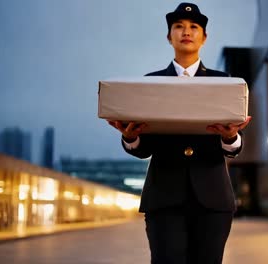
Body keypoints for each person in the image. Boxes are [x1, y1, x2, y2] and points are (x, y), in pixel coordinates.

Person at [108, 2, 251, 263]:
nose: (186, 31)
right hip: (164, 198)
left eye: (194, 27)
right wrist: (130, 136)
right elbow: (144, 147)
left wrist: (230, 136)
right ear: (169, 36)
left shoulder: (225, 83)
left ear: (204, 37)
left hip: (213, 199)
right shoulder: (150, 83)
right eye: (179, 26)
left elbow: (233, 147)